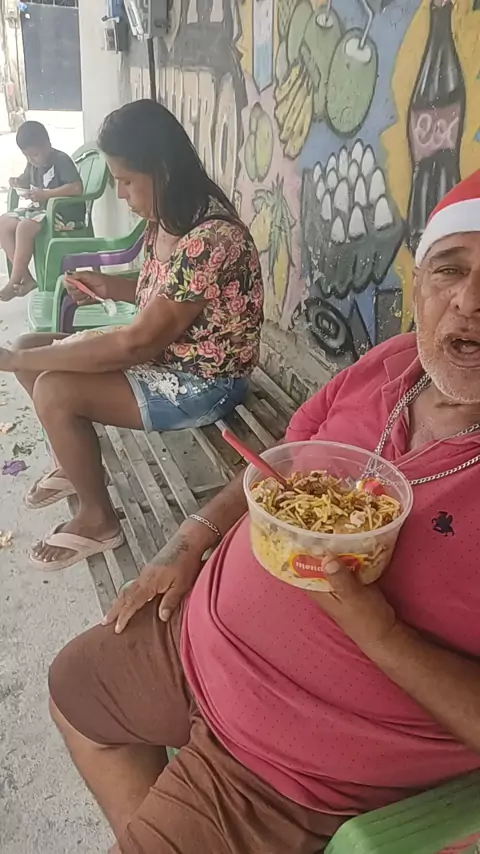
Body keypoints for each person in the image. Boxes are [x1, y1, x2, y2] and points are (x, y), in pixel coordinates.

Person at [40, 170, 480, 854]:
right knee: (71, 689)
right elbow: (279, 460)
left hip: (286, 767)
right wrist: (191, 539)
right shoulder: (393, 364)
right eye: (450, 269)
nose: (470, 301)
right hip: (194, 635)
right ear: (418, 284)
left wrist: (383, 633)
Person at [0, 100, 264, 571]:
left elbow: (138, 343)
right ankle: (75, 463)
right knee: (29, 346)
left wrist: (13, 364)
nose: (120, 194)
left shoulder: (209, 238)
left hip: (203, 382)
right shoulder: (170, 214)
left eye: (125, 180)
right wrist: (110, 286)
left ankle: (99, 520)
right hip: (166, 353)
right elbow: (165, 295)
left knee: (52, 387)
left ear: (161, 170)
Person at [0, 121, 84, 300]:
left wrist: (46, 194)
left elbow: (77, 187)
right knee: (3, 223)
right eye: (27, 156)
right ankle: (27, 278)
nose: (32, 160)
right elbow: (26, 179)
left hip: (63, 214)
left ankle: (14, 281)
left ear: (47, 144)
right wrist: (18, 182)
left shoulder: (61, 160)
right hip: (41, 212)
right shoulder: (33, 164)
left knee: (24, 227)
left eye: (35, 155)